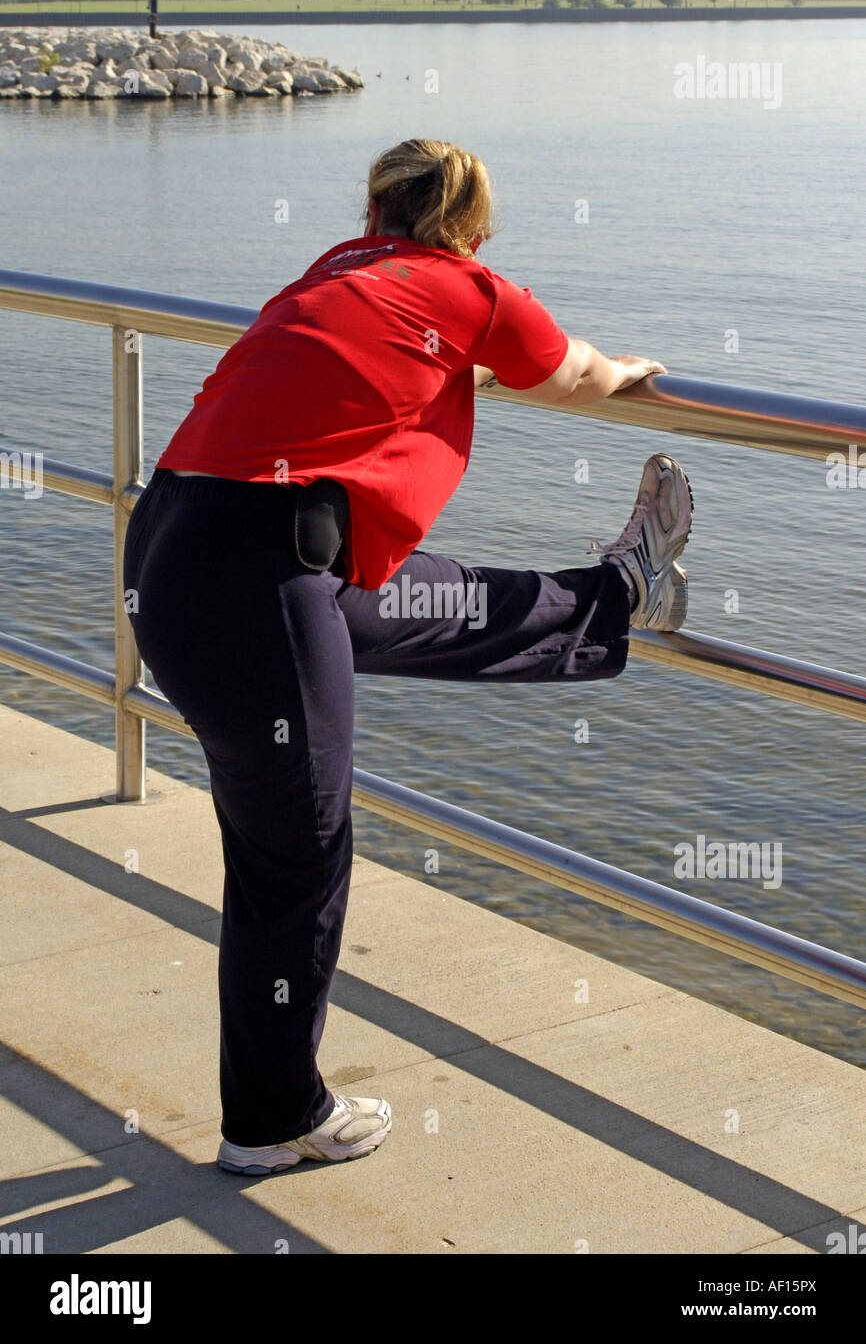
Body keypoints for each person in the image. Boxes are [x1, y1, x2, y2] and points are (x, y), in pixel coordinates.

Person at [123, 137, 692, 1176]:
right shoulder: (469, 288)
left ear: (376, 213)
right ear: (473, 227)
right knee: (295, 856)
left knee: (426, 602)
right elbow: (575, 375)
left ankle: (613, 597)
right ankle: (273, 1118)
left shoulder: (336, 273)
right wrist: (630, 370)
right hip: (257, 573)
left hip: (177, 546)